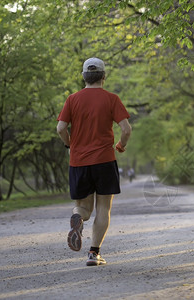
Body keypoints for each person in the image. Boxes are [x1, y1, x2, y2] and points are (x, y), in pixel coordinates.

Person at [57, 57, 132, 266]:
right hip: (104, 161)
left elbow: (61, 128)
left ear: (83, 77)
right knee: (103, 209)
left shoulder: (72, 99)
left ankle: (78, 219)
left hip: (79, 161)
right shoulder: (112, 99)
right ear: (103, 77)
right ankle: (93, 253)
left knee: (83, 208)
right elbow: (126, 129)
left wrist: (70, 145)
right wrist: (121, 146)